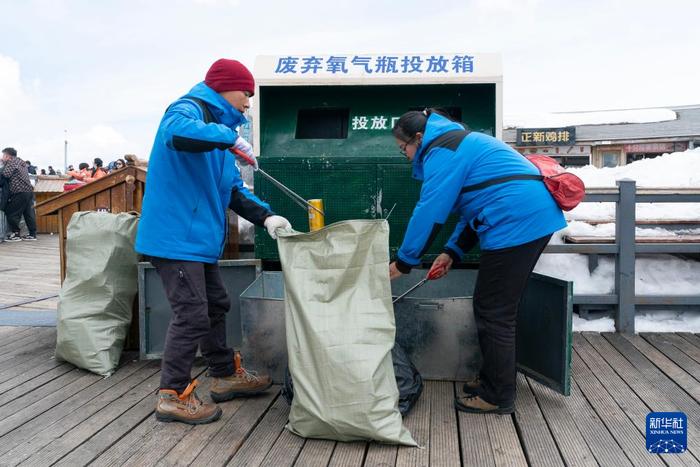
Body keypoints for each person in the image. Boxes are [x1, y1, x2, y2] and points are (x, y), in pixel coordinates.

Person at [136, 58, 292, 425]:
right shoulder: (188, 109)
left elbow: (234, 191)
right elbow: (176, 133)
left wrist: (267, 217)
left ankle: (223, 374)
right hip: (174, 239)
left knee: (216, 305)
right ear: (224, 87)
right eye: (245, 93)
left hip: (199, 242)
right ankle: (171, 395)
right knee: (191, 313)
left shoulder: (222, 135)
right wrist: (230, 137)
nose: (248, 102)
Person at [388, 109, 566, 415]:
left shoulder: (442, 149)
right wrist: (452, 252)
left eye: (403, 148)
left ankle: (497, 395)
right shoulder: (455, 141)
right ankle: (492, 381)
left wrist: (403, 262)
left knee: (494, 312)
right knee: (492, 308)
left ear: (418, 138)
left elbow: (430, 210)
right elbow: (475, 204)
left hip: (516, 221)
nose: (404, 155)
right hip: (523, 217)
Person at [1, 148, 37, 241]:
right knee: (28, 213)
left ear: (7, 156)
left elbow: (5, 174)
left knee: (11, 212)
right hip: (28, 191)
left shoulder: (12, 162)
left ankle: (16, 234)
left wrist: (3, 164)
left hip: (19, 192)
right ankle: (32, 234)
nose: (2, 158)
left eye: (3, 156)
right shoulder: (21, 162)